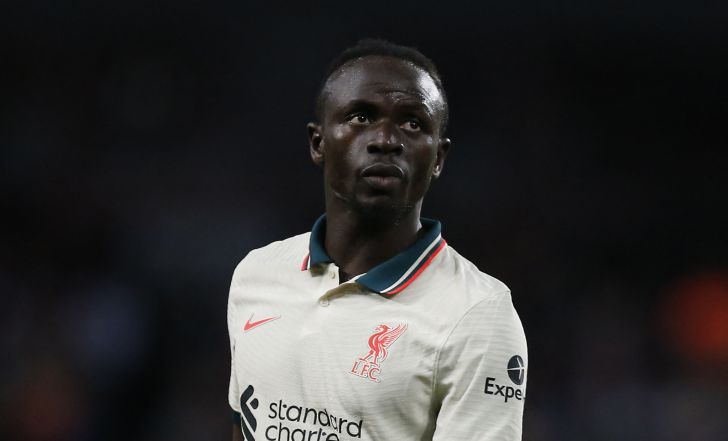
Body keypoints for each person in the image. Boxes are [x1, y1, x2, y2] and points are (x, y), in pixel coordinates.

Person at [228, 39, 528, 441]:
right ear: (318, 143)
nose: (385, 139)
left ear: (438, 159)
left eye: (413, 124)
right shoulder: (256, 274)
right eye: (361, 116)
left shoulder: (478, 314)